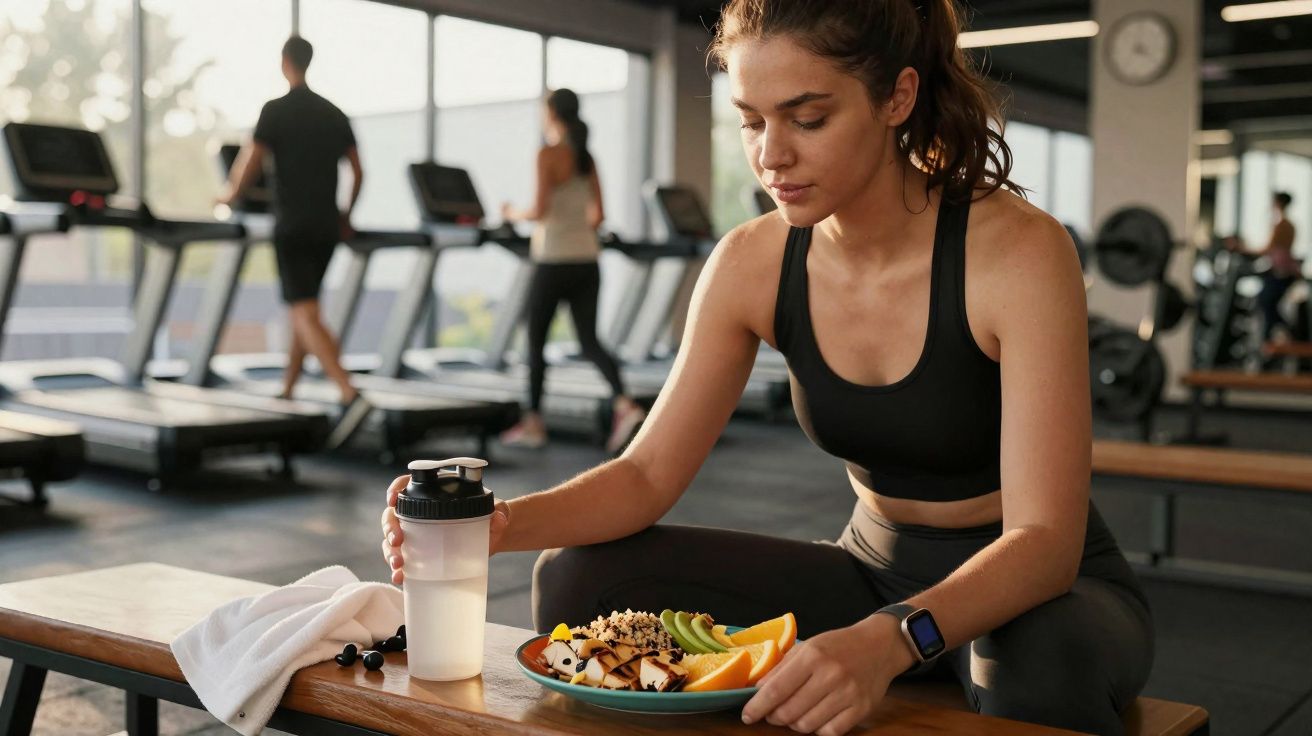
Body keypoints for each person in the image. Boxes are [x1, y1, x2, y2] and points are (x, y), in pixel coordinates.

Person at [381, 1, 1152, 733]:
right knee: (578, 581)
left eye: (808, 118)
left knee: (1031, 663)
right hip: (870, 570)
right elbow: (646, 476)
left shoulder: (1016, 251)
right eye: (750, 121)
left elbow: (1046, 539)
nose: (770, 155)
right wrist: (501, 524)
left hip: (1046, 593)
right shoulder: (752, 262)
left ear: (897, 98)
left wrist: (890, 640)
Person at [219, 36, 372, 450]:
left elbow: (250, 163)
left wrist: (228, 197)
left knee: (303, 311)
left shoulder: (275, 111)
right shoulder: (333, 113)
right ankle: (288, 387)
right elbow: (359, 172)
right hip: (325, 226)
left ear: (285, 62)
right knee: (306, 308)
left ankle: (349, 393)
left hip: (292, 225)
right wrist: (346, 214)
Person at [497, 88, 647, 453]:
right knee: (590, 341)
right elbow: (598, 215)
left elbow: (538, 210)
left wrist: (509, 213)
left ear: (551, 114)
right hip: (587, 260)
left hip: (552, 259)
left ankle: (533, 423)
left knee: (535, 342)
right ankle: (625, 404)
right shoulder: (586, 157)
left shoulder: (547, 153)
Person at [1256, 191, 1300, 342]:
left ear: (1278, 203)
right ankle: (1275, 336)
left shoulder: (1283, 225)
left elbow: (1270, 248)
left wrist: (1242, 249)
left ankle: (1288, 334)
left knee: (1265, 302)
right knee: (1266, 302)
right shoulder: (1286, 224)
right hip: (1280, 269)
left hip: (1283, 271)